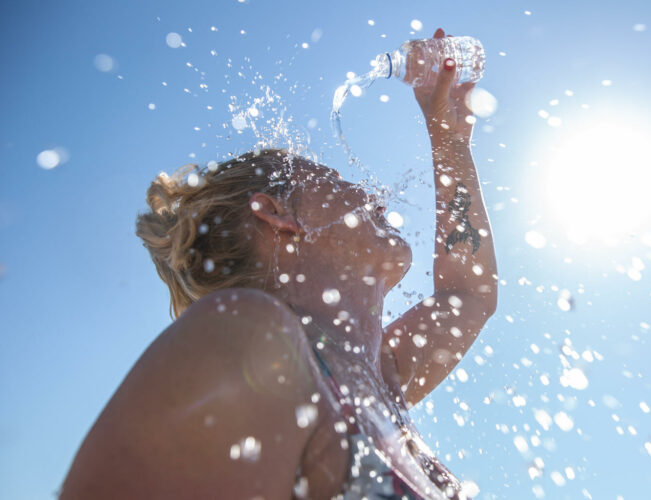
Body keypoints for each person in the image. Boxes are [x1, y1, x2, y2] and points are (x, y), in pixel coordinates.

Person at [60, 28, 497, 500]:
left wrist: (449, 140)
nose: (371, 194)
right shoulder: (255, 343)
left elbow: (468, 294)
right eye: (332, 178)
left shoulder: (381, 377)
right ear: (276, 213)